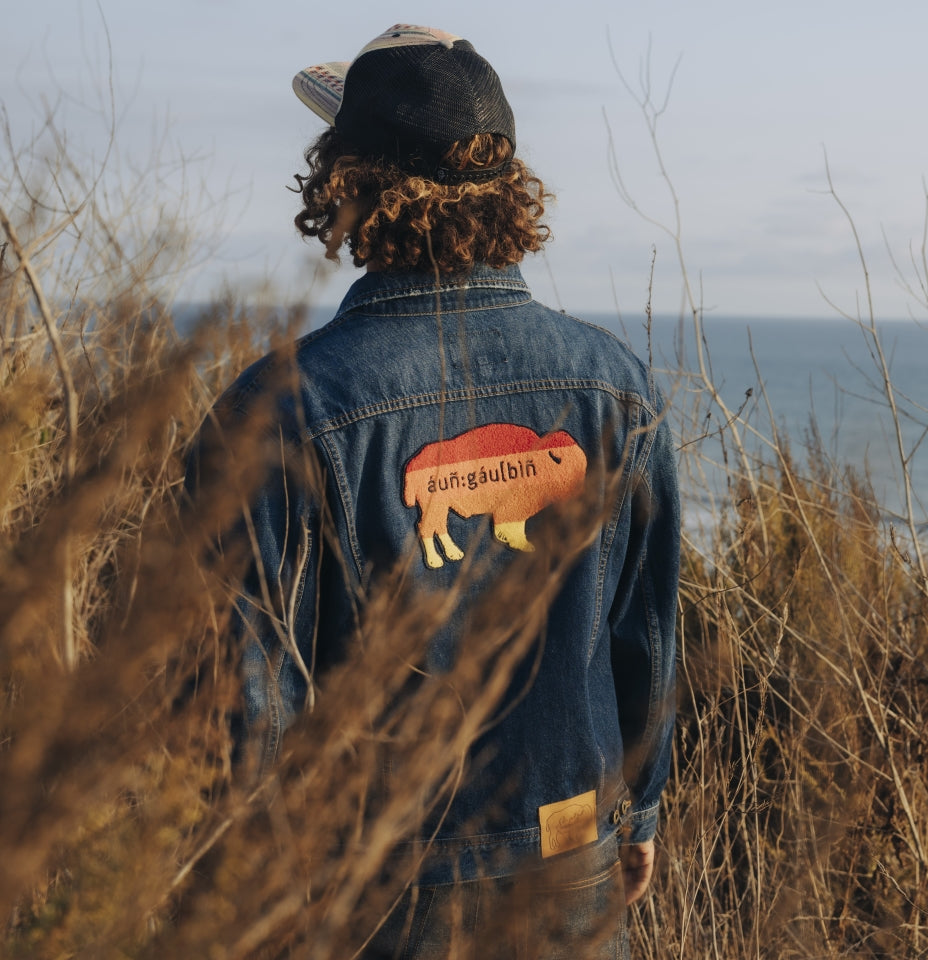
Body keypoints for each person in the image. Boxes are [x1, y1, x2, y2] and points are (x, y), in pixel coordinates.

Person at [193, 24, 679, 958]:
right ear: (507, 186)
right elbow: (644, 640)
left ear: (347, 183)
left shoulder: (275, 414)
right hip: (572, 853)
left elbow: (246, 699)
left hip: (366, 890)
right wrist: (640, 812)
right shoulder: (618, 389)